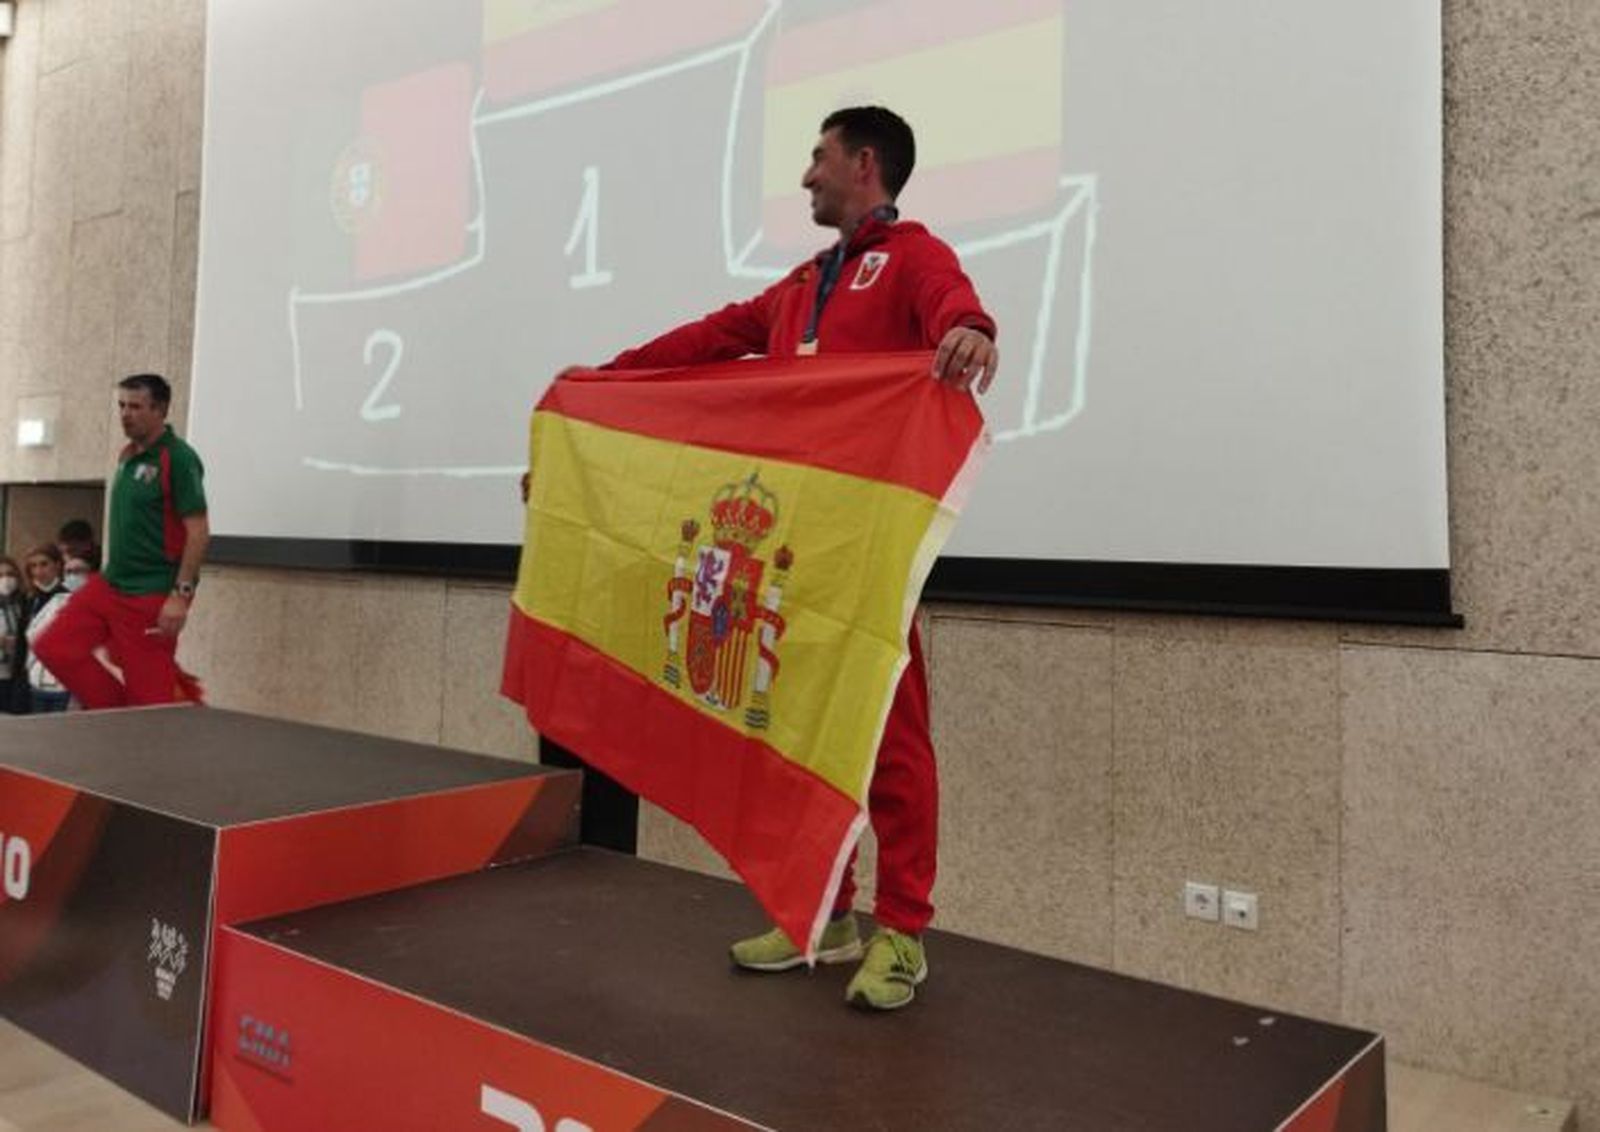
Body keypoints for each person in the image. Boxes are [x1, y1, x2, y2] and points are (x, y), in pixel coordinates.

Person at [565, 107, 998, 1009]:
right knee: (801, 743)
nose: (806, 176)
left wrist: (972, 329)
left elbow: (955, 303)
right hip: (796, 562)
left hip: (871, 561)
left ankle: (905, 932)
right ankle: (827, 917)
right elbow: (710, 338)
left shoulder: (912, 257)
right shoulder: (802, 285)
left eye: (819, 157)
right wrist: (601, 383)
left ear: (865, 163)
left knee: (892, 750)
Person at [33, 374, 209, 709]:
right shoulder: (127, 456)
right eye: (122, 405)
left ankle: (142, 740)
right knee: (53, 646)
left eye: (135, 406)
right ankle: (113, 716)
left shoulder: (179, 458)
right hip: (111, 585)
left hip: (150, 596)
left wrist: (180, 596)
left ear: (160, 410)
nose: (125, 414)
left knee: (150, 705)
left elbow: (198, 531)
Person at [0, 556, 24, 713]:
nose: (6, 579)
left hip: (18, 674)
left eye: (10, 574)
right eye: (0, 576)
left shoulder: (24, 603)